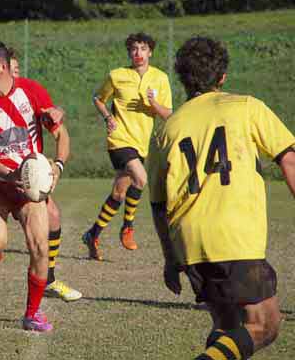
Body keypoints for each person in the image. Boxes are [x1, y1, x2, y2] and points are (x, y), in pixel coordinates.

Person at [149, 36, 295, 359]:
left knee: (228, 329)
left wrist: (170, 258)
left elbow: (158, 205)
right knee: (266, 324)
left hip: (190, 241)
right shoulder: (246, 107)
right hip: (234, 236)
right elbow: (289, 159)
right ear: (223, 77)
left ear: (183, 79)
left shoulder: (166, 128)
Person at [0, 40, 70, 332]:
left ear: (3, 67)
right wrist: (12, 175)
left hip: (27, 185)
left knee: (40, 248)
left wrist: (57, 166)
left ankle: (32, 314)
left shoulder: (31, 91)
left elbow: (61, 134)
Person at [82, 32, 173, 260]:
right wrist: (107, 118)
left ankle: (92, 234)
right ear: (129, 53)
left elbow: (168, 114)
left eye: (143, 49)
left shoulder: (160, 78)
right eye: (133, 49)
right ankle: (128, 227)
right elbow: (98, 98)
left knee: (119, 193)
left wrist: (153, 104)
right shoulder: (117, 75)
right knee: (141, 179)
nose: (138, 53)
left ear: (150, 52)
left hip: (141, 143)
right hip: (119, 140)